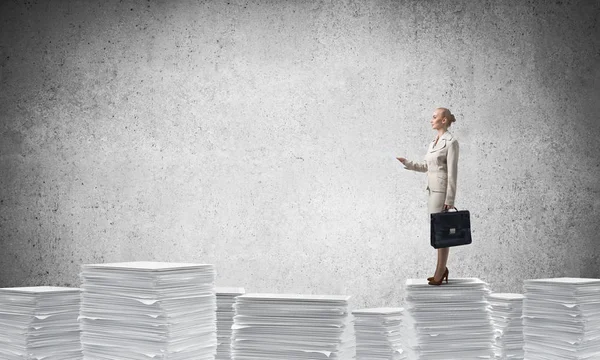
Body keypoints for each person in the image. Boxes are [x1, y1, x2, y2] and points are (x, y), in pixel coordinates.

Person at [396, 107, 459, 286]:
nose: (431, 120)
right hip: (431, 191)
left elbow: (453, 173)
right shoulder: (433, 142)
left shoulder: (451, 142)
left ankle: (440, 270)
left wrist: (450, 199)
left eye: (434, 117)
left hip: (442, 192)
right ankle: (441, 268)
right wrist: (407, 163)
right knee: (438, 232)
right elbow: (426, 166)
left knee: (442, 232)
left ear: (444, 120)